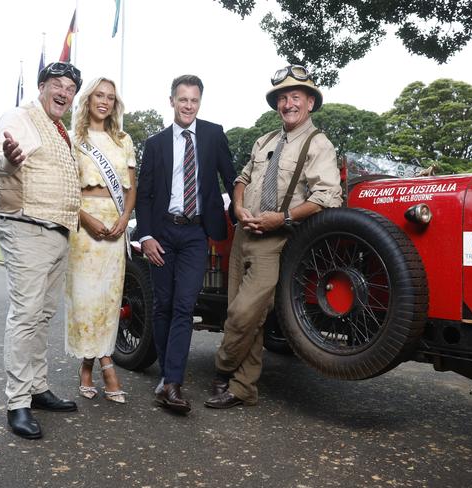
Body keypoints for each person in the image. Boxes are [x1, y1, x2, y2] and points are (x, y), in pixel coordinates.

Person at [204, 65, 342, 409]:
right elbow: (242, 178)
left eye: (296, 96)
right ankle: (243, 388)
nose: (288, 103)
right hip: (242, 237)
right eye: (282, 98)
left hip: (276, 241)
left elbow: (327, 197)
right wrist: (237, 208)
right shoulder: (264, 140)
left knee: (243, 314)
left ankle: (222, 369)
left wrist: (281, 218)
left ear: (310, 102)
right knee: (245, 316)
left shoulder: (318, 144)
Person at [0, 62, 83, 439]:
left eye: (70, 88)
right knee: (25, 315)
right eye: (56, 84)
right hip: (26, 227)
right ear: (42, 87)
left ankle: (37, 388)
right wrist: (8, 158)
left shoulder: (61, 131)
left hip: (57, 233)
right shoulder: (20, 116)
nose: (64, 92)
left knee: (43, 315)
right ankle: (18, 402)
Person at [136, 74, 236, 414]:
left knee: (184, 306)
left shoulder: (213, 134)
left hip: (196, 233)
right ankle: (168, 376)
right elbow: (145, 195)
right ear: (172, 101)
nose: (188, 105)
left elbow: (231, 177)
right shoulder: (155, 143)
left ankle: (173, 383)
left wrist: (239, 215)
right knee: (163, 306)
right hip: (162, 232)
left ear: (199, 102)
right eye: (183, 99)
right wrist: (146, 236)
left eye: (194, 100)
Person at [66, 77, 136, 404]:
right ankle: (103, 365)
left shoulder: (123, 140)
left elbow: (131, 188)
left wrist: (124, 218)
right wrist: (87, 218)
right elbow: (66, 189)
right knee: (85, 299)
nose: (104, 101)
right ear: (89, 99)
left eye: (110, 96)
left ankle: (90, 363)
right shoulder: (73, 139)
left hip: (116, 222)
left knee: (108, 300)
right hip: (84, 224)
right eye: (98, 95)